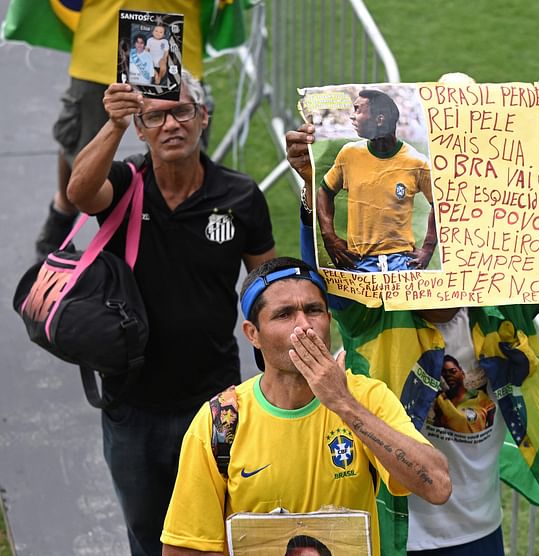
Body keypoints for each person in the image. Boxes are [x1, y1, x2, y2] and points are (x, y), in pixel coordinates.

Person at [286, 119, 539, 555]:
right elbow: (323, 267)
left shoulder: (500, 311)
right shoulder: (373, 316)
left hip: (481, 533)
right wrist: (312, 186)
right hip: (398, 535)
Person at [66, 70, 276, 556]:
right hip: (131, 404)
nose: (171, 125)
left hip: (214, 402)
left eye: (182, 111)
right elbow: (79, 193)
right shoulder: (124, 183)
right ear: (141, 128)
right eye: (155, 116)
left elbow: (266, 289)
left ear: (203, 118)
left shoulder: (240, 196)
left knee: (221, 535)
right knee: (148, 535)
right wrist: (113, 124)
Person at [161, 257, 452, 556]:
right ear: (252, 334)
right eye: (284, 314)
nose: (304, 326)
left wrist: (343, 403)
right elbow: (183, 548)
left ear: (329, 319)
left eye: (314, 310)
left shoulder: (365, 398)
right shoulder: (221, 421)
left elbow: (438, 486)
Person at [35, 0, 221, 259]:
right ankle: (63, 213)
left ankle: (184, 232)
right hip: (102, 41)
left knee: (179, 148)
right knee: (78, 143)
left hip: (174, 43)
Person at [317, 89, 437, 272]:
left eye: (358, 110)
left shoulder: (417, 162)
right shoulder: (349, 154)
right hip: (357, 262)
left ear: (379, 120)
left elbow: (439, 203)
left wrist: (428, 248)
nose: (352, 116)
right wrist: (329, 236)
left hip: (402, 264)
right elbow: (324, 191)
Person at [432, 355, 496, 434]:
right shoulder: (441, 400)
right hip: (440, 445)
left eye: (453, 371)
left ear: (462, 372)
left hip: (477, 444)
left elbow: (490, 428)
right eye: (444, 373)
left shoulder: (480, 397)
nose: (448, 375)